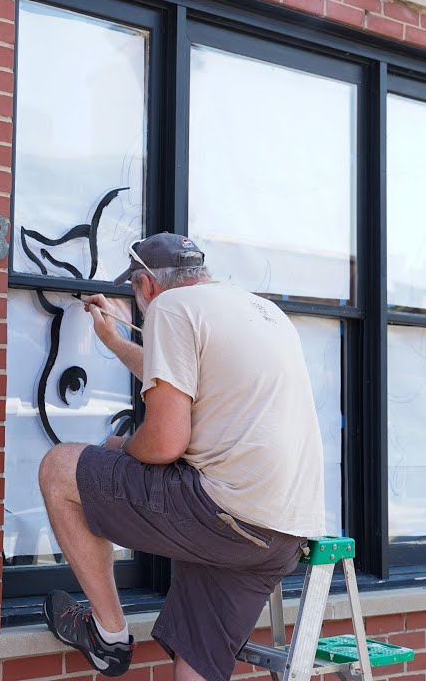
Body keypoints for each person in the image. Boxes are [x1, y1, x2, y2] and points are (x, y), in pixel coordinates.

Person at [36, 232, 326, 680]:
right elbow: (181, 380)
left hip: (227, 516)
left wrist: (123, 446)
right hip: (281, 534)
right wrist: (113, 341)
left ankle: (107, 637)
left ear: (146, 285)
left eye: (134, 291)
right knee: (197, 661)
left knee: (61, 469)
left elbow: (165, 443)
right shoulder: (261, 310)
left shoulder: (171, 309)